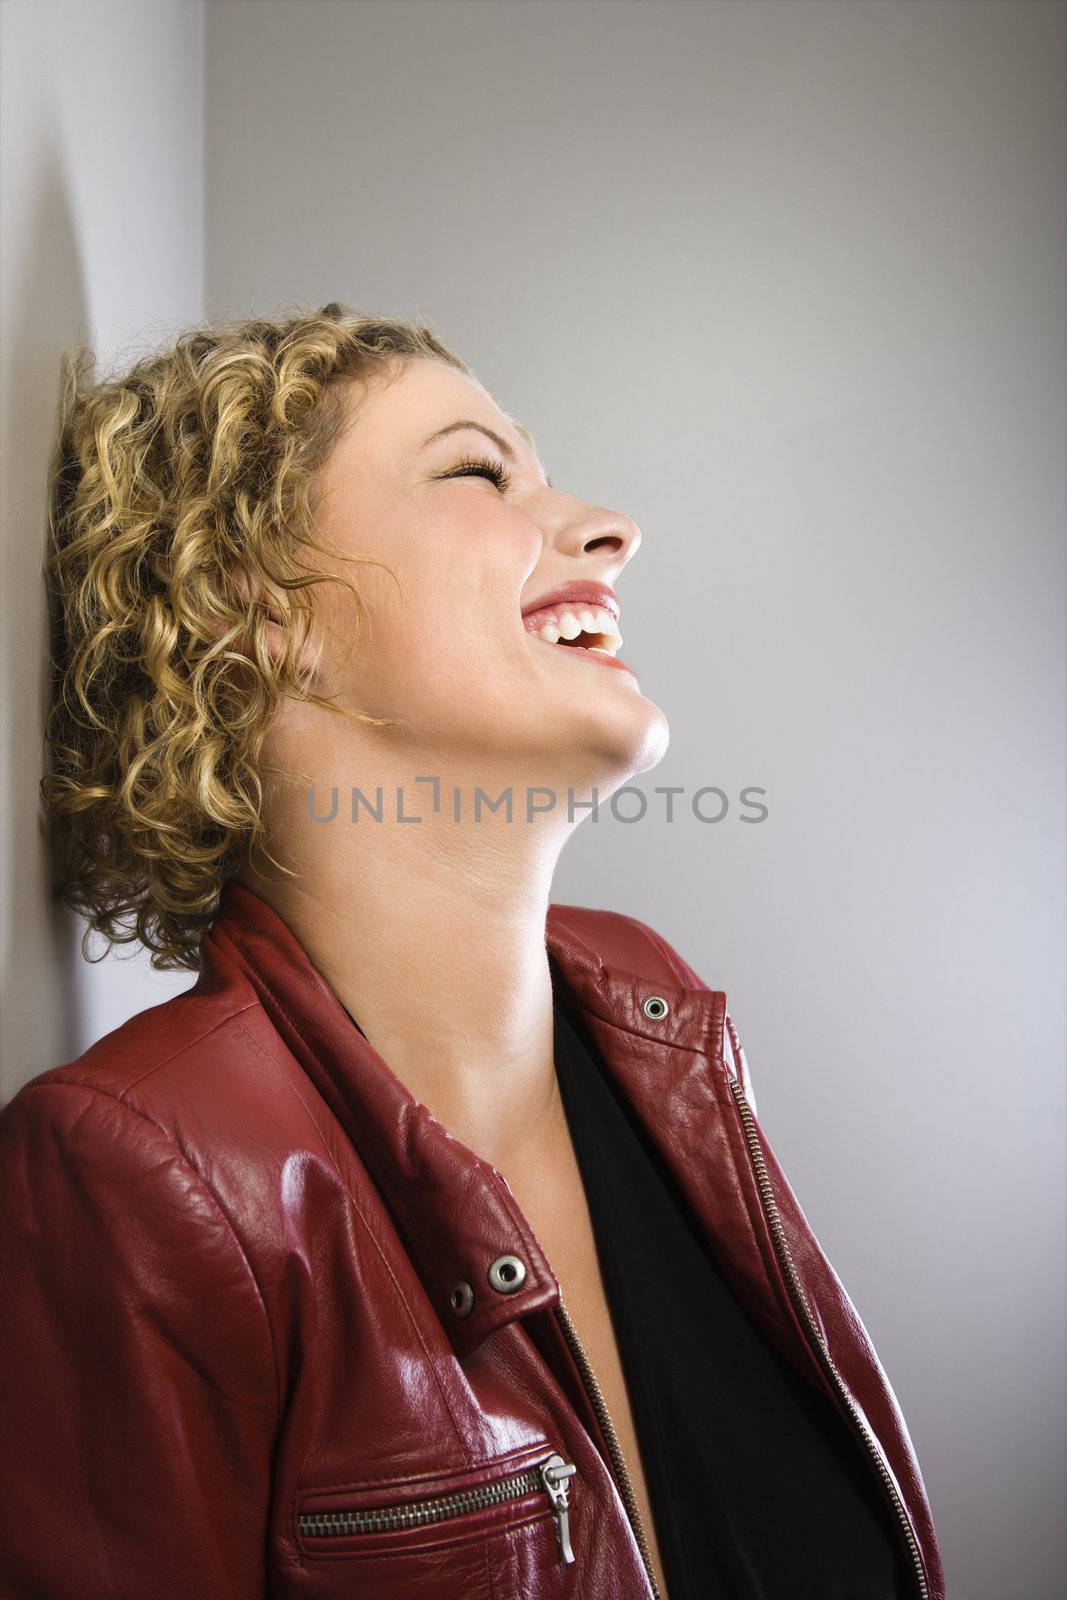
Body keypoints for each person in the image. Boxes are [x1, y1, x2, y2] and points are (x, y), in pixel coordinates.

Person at [0, 304, 944, 1600]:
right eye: (477, 470)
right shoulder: (143, 1172)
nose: (611, 530)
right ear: (255, 603)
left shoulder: (654, 1018)